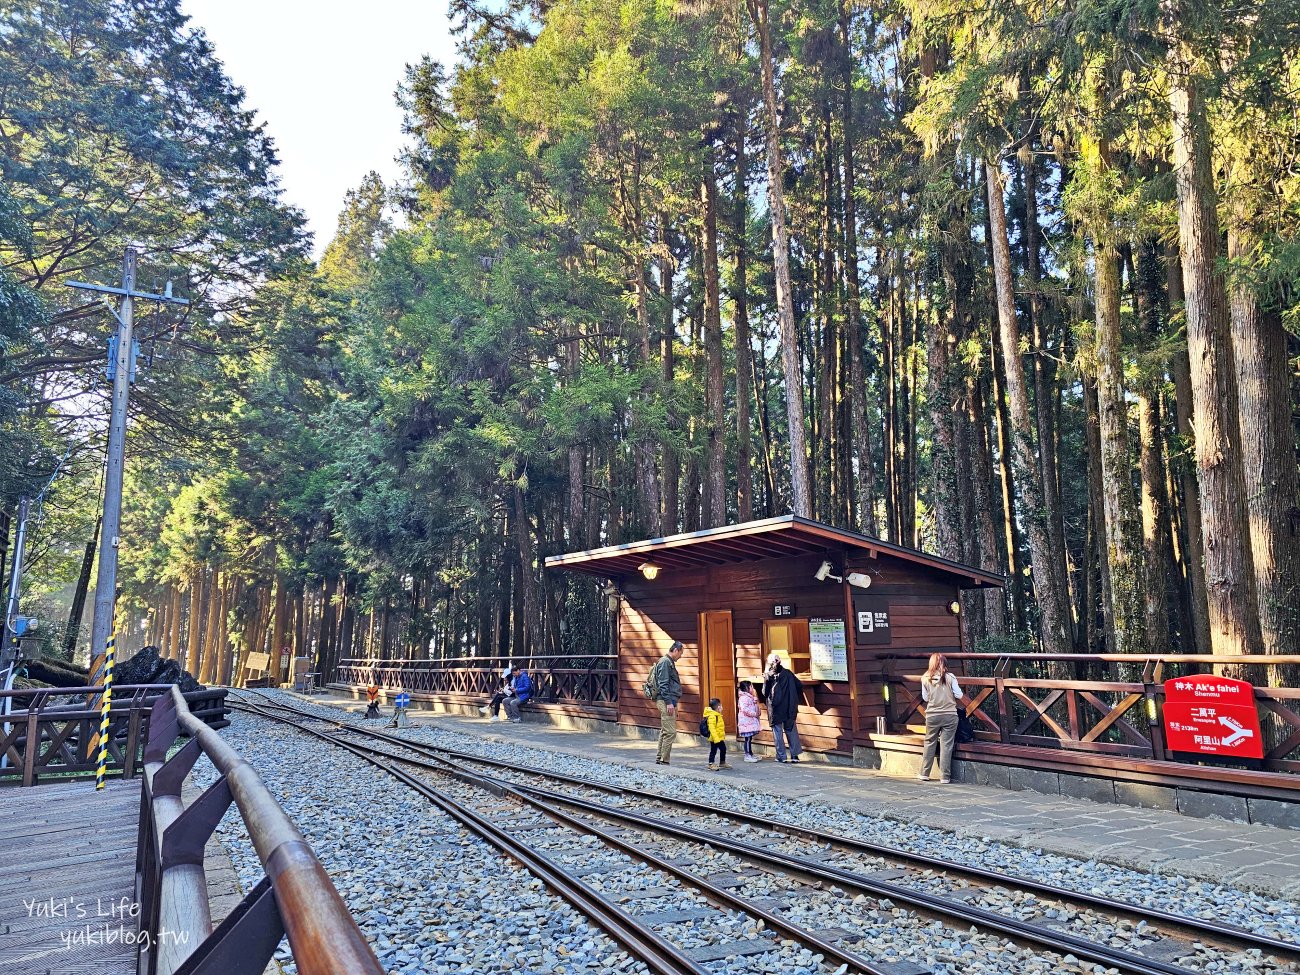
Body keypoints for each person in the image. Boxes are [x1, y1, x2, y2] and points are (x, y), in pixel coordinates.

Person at [917, 652, 967, 784]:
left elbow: (925, 698)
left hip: (932, 715)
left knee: (929, 742)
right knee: (946, 745)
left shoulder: (925, 677)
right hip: (950, 715)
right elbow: (959, 695)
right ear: (944, 663)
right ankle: (945, 777)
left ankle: (924, 773)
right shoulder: (950, 677)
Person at [647, 640, 684, 765]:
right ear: (675, 650)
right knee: (670, 732)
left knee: (665, 731)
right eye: (680, 653)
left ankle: (660, 758)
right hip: (664, 700)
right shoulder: (665, 662)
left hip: (669, 701)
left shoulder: (669, 662)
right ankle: (664, 760)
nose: (680, 656)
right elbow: (663, 684)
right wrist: (669, 703)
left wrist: (675, 705)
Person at [764, 655, 803, 763]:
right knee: (791, 730)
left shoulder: (769, 676)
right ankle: (795, 756)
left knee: (777, 732)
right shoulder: (788, 673)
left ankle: (782, 756)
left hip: (776, 708)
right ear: (780, 661)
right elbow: (799, 685)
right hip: (790, 706)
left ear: (769, 663)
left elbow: (764, 692)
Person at [737, 680, 761, 763]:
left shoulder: (750, 698)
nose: (752, 688)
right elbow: (744, 709)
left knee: (749, 738)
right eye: (751, 687)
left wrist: (755, 704)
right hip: (746, 722)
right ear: (747, 688)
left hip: (749, 721)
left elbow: (755, 709)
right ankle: (747, 755)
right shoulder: (743, 698)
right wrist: (754, 714)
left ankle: (750, 754)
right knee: (747, 739)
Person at [703, 697, 729, 770]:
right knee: (713, 751)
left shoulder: (717, 714)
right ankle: (711, 763)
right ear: (718, 707)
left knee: (723, 749)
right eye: (721, 706)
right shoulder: (712, 716)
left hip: (719, 737)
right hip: (715, 738)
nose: (722, 707)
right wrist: (715, 738)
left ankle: (722, 762)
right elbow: (712, 728)